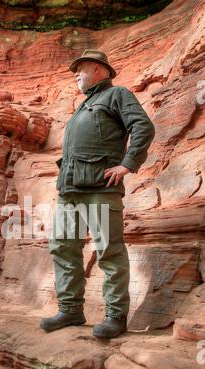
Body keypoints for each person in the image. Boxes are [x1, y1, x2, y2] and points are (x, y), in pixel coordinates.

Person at [40, 49, 155, 338]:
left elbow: (143, 126)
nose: (75, 74)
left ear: (99, 69)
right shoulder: (84, 105)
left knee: (109, 250)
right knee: (64, 248)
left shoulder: (117, 95)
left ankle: (116, 317)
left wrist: (128, 164)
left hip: (100, 190)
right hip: (69, 191)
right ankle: (70, 310)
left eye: (81, 68)